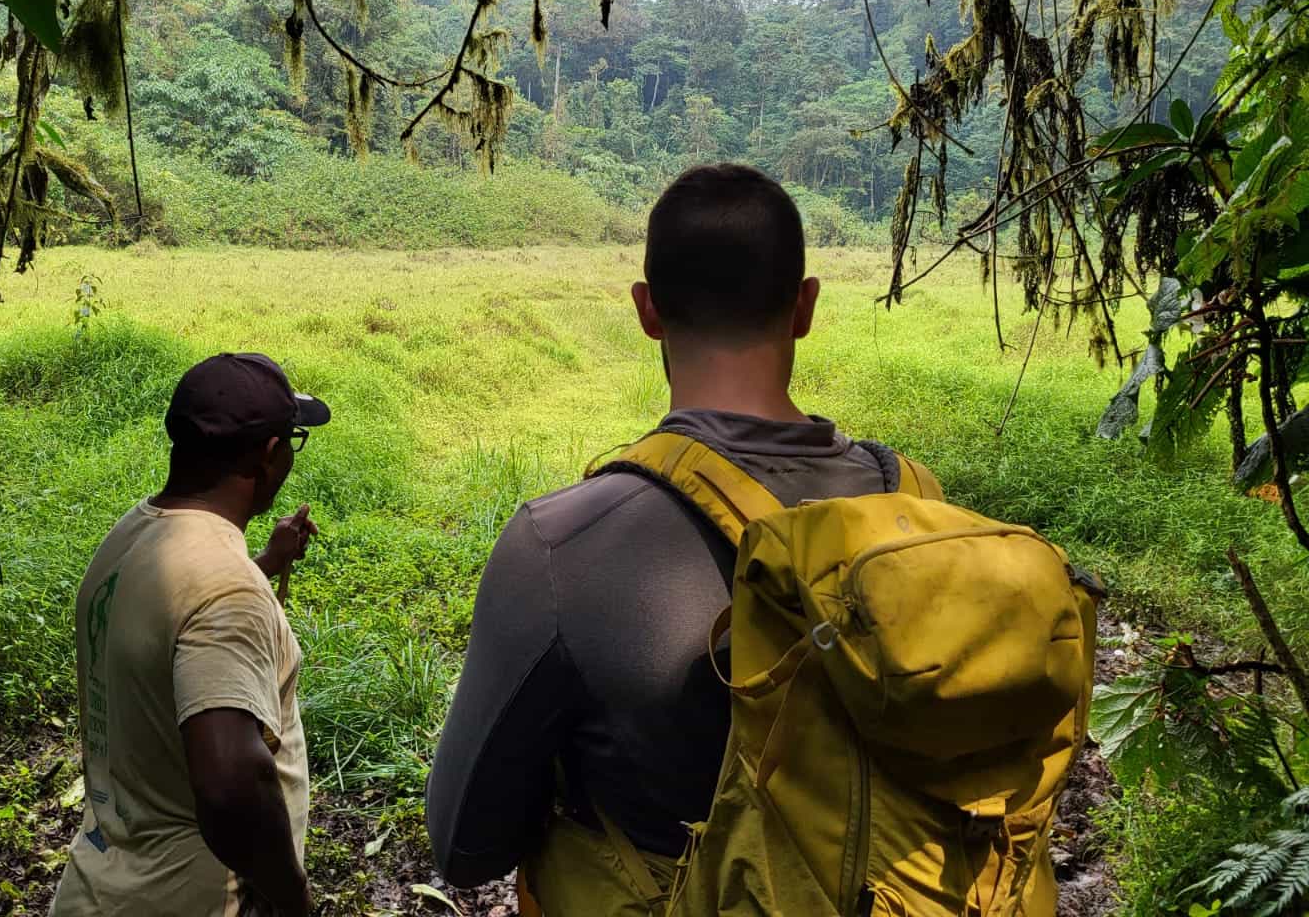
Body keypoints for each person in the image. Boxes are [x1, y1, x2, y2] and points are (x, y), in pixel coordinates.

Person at [426, 163, 926, 899]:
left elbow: (465, 849)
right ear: (805, 306)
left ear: (647, 309)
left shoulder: (561, 544)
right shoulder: (920, 506)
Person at [51, 352, 328, 917]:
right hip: (195, 896)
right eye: (291, 440)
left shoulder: (132, 536)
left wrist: (264, 564)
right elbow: (230, 784)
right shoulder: (225, 591)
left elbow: (174, 626)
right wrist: (291, 896)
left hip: (103, 885)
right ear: (270, 454)